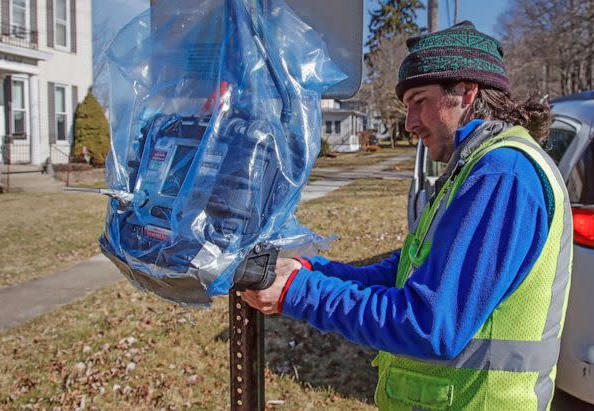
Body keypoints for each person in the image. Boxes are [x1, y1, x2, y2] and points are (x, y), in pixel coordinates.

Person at [241, 21, 572, 411]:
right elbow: (405, 274)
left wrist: (299, 293)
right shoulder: (472, 169)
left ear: (467, 92)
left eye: (419, 101)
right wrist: (308, 271)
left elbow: (431, 325)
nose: (410, 123)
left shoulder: (502, 174)